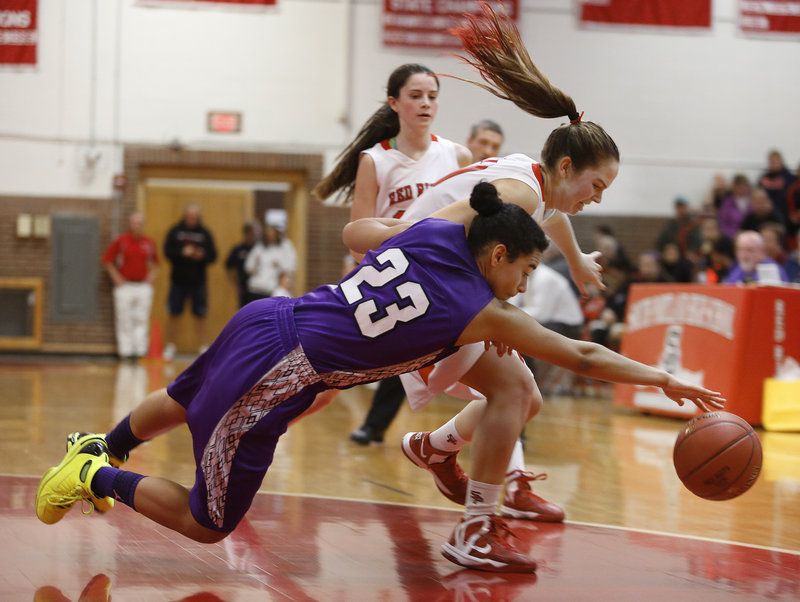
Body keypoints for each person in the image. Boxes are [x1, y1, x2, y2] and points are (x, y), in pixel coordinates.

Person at [35, 183, 725, 574]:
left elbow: (363, 234)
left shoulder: (433, 232)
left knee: (185, 396)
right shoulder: (481, 308)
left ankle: (105, 442)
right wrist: (664, 378)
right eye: (523, 270)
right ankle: (94, 474)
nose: (523, 285)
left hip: (271, 315)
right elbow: (585, 356)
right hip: (283, 368)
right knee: (209, 523)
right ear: (498, 254)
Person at [394, 3, 619, 529]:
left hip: (429, 287)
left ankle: (435, 449)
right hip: (415, 288)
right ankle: (478, 524)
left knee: (524, 399)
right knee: (515, 393)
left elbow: (552, 213)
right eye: (597, 186)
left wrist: (577, 259)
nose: (597, 199)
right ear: (567, 166)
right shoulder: (517, 190)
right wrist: (489, 305)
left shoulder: (534, 183)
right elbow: (442, 231)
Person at [313, 62, 473, 446]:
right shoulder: (375, 160)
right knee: (331, 377)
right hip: (388, 285)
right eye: (415, 96)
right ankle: (273, 422)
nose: (425, 104)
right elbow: (356, 239)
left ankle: (464, 455)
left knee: (495, 380)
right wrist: (412, 238)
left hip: (443, 289)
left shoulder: (458, 156)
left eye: (432, 96)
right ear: (394, 103)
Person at [509, 262, 584, 396]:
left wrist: (509, 315)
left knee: (522, 335)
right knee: (512, 331)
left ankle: (530, 382)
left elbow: (541, 313)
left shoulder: (546, 278)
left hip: (567, 324)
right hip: (546, 320)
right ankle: (521, 380)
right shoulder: (522, 274)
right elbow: (511, 303)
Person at [162, 203, 218, 360]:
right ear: (184, 216)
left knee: (201, 315)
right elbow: (167, 251)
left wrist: (202, 255)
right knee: (174, 313)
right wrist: (181, 252)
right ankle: (170, 346)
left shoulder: (205, 233)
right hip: (178, 281)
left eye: (195, 216)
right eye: (189, 216)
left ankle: (203, 348)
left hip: (198, 283)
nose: (192, 219)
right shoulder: (175, 231)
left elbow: (213, 256)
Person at [101, 212, 159, 360]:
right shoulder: (121, 241)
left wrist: (151, 277)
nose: (138, 226)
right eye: (135, 223)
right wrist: (116, 276)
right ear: (130, 224)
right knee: (124, 318)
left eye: (140, 223)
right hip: (125, 286)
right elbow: (107, 260)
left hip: (142, 286)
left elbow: (156, 264)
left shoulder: (148, 243)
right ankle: (125, 352)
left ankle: (140, 350)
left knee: (141, 318)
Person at [244, 224, 297, 301]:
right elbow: (248, 267)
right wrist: (256, 262)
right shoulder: (260, 246)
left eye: (272, 232)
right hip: (256, 288)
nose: (270, 235)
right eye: (267, 233)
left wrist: (279, 265)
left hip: (272, 289)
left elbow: (291, 267)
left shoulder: (285, 246)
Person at [723, 229, 788, 284]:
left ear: (761, 251)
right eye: (740, 250)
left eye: (750, 250)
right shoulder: (737, 270)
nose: (744, 255)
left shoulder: (772, 270)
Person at [225, 220, 261, 308]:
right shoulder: (238, 249)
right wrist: (235, 284)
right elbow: (228, 267)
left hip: (259, 288)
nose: (254, 237)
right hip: (243, 287)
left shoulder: (261, 250)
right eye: (251, 234)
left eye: (256, 234)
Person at [758, 149, 796, 228]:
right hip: (766, 210)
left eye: (775, 162)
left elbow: (790, 196)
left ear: (781, 162)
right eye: (771, 162)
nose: (773, 164)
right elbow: (759, 192)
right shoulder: (764, 178)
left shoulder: (789, 178)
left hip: (784, 210)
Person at [717, 174, 753, 238]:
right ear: (733, 187)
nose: (741, 188)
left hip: (750, 236)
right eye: (738, 186)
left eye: (743, 186)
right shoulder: (727, 202)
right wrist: (733, 235)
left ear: (748, 187)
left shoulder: (753, 200)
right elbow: (722, 223)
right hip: (731, 236)